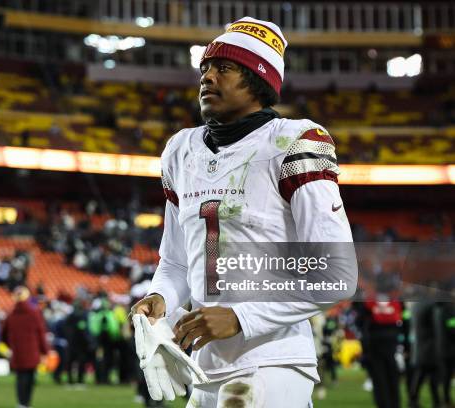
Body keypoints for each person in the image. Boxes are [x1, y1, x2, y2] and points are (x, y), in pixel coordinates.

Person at [131, 16, 354, 408]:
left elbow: (336, 273)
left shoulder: (293, 141)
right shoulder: (181, 152)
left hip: (274, 360)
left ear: (259, 79)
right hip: (204, 364)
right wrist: (160, 297)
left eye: (224, 68)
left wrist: (241, 318)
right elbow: (178, 262)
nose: (207, 77)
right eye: (204, 68)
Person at [1, 286, 48, 408]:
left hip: (17, 352)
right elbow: (41, 333)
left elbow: (3, 335)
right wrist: (45, 351)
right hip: (32, 352)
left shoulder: (11, 315)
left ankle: (21, 403)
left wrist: (11, 345)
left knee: (20, 377)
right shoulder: (34, 313)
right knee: (30, 378)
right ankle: (26, 403)